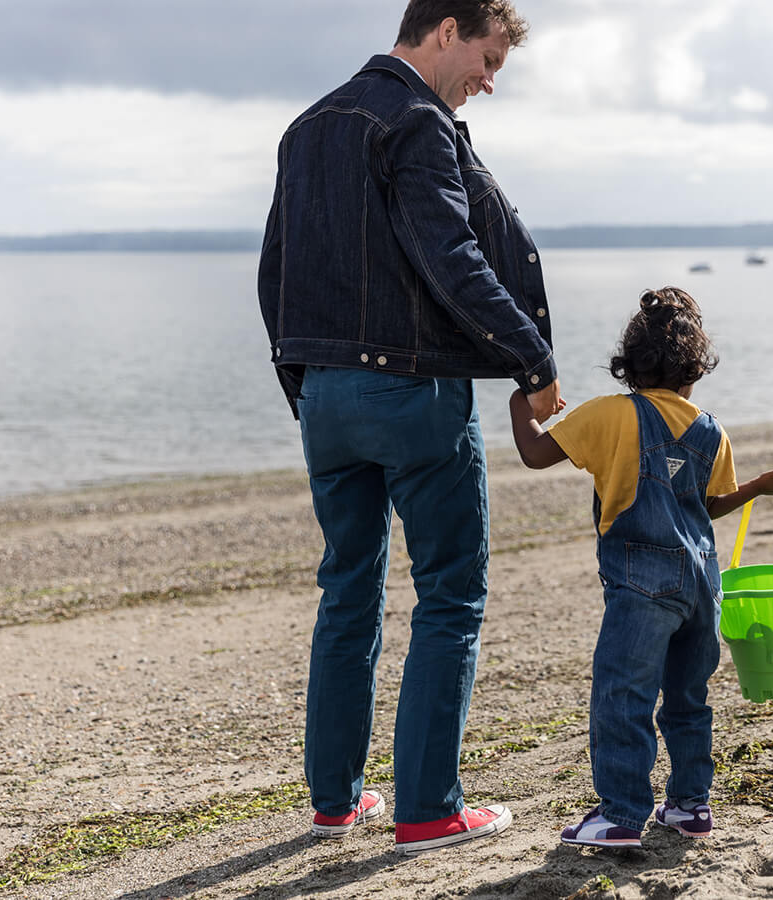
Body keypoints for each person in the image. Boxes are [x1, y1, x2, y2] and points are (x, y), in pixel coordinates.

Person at [257, 0, 563, 856]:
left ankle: (335, 801)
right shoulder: (417, 122)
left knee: (347, 591)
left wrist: (304, 389)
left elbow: (276, 268)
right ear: (443, 31)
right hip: (413, 394)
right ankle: (428, 810)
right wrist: (534, 363)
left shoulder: (306, 126)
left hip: (324, 397)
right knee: (452, 595)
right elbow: (452, 255)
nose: (489, 81)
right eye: (488, 58)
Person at [508, 287, 773, 848]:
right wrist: (754, 489)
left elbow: (535, 454)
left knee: (623, 695)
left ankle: (620, 814)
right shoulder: (712, 429)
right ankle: (690, 805)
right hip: (700, 584)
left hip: (640, 581)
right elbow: (706, 507)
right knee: (689, 699)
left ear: (629, 364)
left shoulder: (612, 414)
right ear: (694, 369)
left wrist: (523, 404)